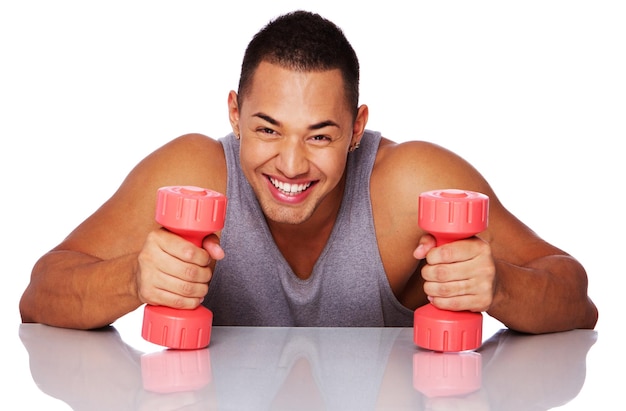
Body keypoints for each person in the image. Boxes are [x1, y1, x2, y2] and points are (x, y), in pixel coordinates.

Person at [19, 10, 597, 333]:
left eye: (320, 135)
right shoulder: (194, 170)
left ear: (356, 127)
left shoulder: (409, 183)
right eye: (267, 129)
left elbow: (576, 294)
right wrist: (134, 281)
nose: (291, 165)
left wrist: (501, 286)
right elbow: (39, 292)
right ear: (234, 114)